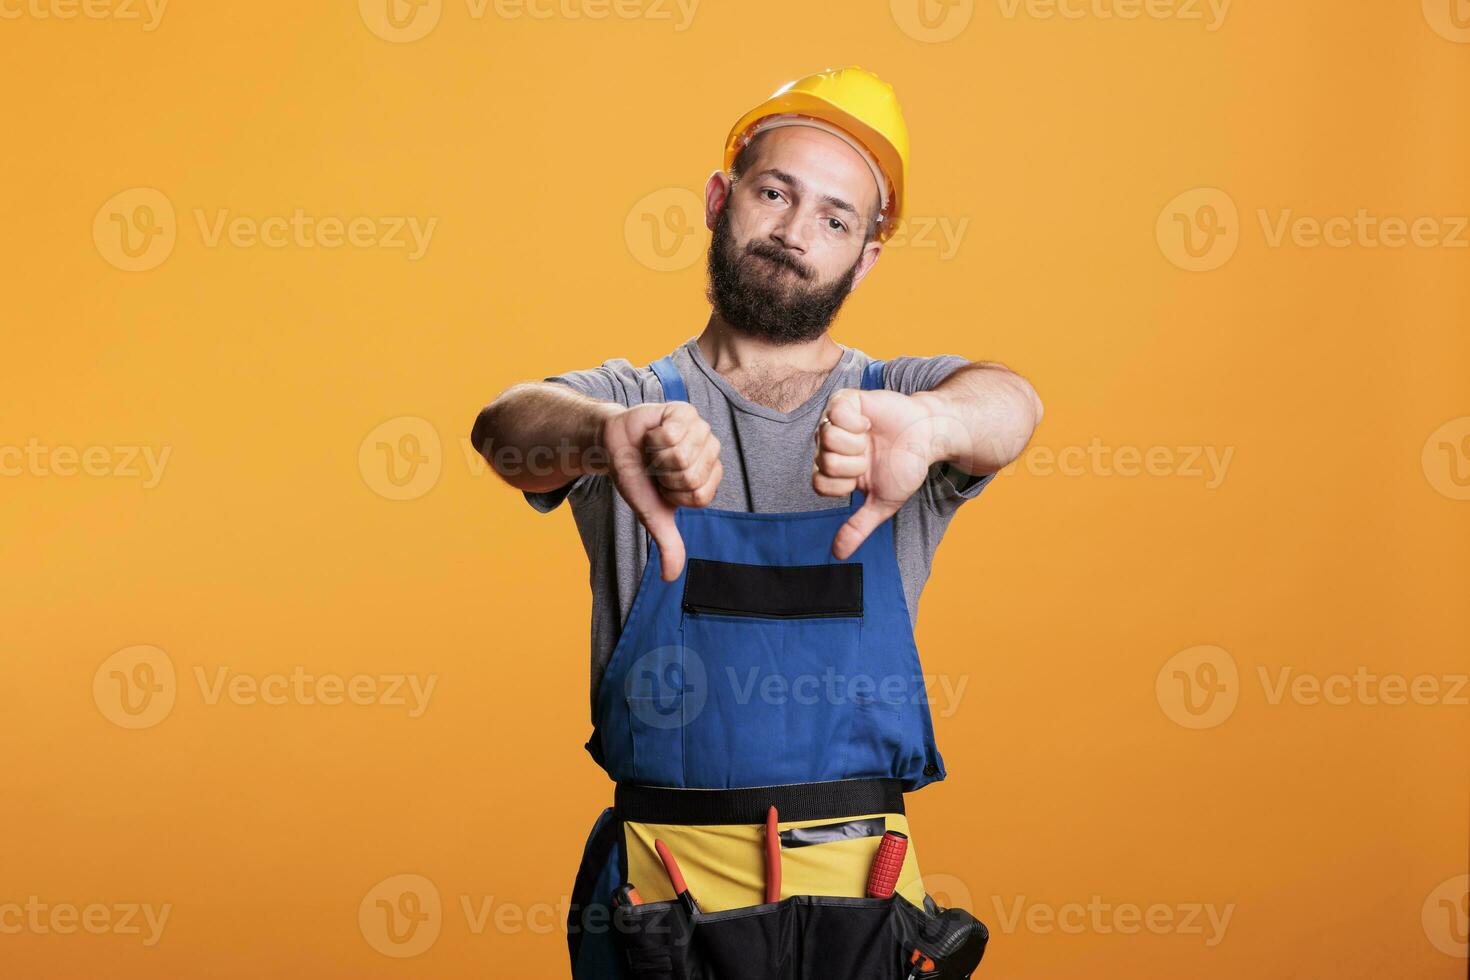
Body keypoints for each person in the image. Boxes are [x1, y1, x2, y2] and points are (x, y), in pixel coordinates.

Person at [473, 66, 1042, 979]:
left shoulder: (896, 406)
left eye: (834, 218)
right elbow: (503, 429)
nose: (793, 233)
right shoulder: (629, 404)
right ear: (717, 199)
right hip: (660, 907)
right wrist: (604, 435)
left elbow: (1012, 405)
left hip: (860, 903)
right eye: (775, 192)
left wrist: (939, 425)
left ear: (865, 257)